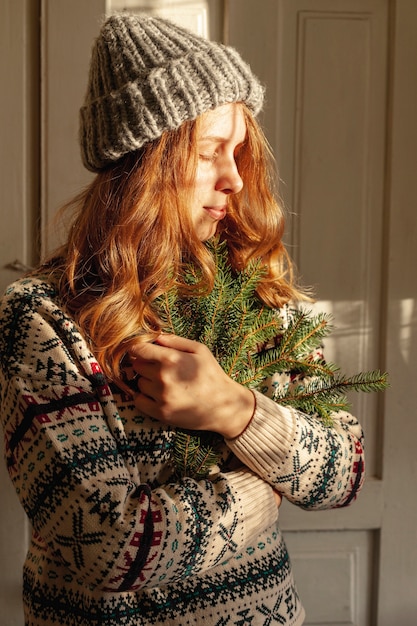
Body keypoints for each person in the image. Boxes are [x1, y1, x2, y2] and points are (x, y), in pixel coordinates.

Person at [0, 13, 365, 626]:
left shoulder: (256, 291)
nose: (235, 178)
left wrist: (232, 409)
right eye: (209, 152)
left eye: (239, 151)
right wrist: (264, 489)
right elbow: (111, 550)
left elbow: (344, 471)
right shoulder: (42, 320)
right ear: (142, 166)